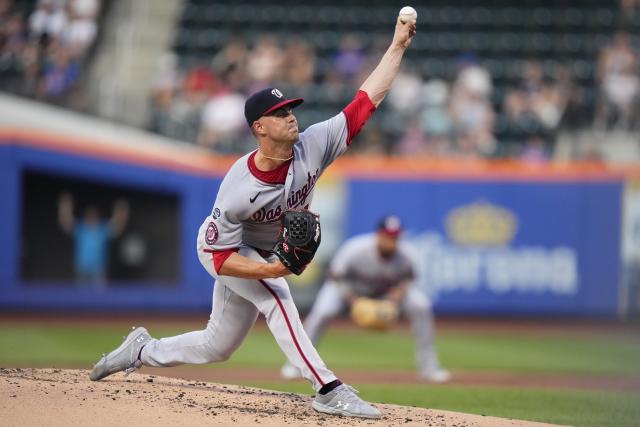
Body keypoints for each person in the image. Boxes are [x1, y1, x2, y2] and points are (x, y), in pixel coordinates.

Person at [89, 15, 417, 420]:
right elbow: (218, 256)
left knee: (217, 345)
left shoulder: (313, 145)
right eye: (280, 113)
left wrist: (398, 44)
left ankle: (140, 349)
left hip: (261, 250)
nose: (291, 116)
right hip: (224, 249)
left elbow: (367, 100)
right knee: (278, 298)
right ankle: (328, 389)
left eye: (291, 108)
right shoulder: (239, 188)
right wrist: (276, 268)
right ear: (260, 127)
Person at [280, 216, 450, 383]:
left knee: (421, 305)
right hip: (347, 290)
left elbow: (409, 280)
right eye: (387, 236)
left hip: (384, 295)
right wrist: (354, 302)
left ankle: (429, 369)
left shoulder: (407, 254)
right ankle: (296, 366)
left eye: (395, 237)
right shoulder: (356, 248)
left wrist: (395, 297)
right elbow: (335, 277)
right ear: (378, 234)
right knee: (323, 312)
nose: (391, 240)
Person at [58, 192, 129, 287]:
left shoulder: (102, 228)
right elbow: (66, 223)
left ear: (98, 217)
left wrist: (121, 210)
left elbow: (117, 226)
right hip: (82, 268)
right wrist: (65, 206)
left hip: (98, 269)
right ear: (85, 216)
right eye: (89, 215)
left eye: (94, 215)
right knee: (81, 295)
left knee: (99, 297)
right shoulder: (81, 228)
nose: (91, 217)